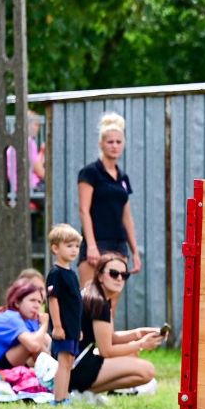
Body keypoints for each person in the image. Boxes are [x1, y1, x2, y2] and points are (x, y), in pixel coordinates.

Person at [70, 253, 162, 396]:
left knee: (131, 353)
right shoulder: (99, 302)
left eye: (124, 275)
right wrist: (142, 344)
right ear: (100, 276)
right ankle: (81, 392)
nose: (119, 278)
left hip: (73, 362)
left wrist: (138, 333)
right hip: (76, 366)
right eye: (114, 273)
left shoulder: (95, 295)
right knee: (147, 371)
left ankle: (84, 392)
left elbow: (110, 337)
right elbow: (106, 351)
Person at [77, 112, 140, 286]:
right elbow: (84, 210)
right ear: (101, 144)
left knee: (112, 298)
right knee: (91, 298)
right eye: (110, 142)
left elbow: (127, 217)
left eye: (118, 142)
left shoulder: (123, 177)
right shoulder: (90, 173)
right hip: (97, 242)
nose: (114, 146)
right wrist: (91, 245)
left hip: (119, 245)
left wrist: (135, 251)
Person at [47, 224, 83, 404]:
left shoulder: (72, 274)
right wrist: (57, 326)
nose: (74, 250)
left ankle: (65, 396)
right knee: (63, 362)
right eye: (69, 246)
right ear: (55, 248)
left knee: (69, 361)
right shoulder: (56, 274)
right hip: (63, 327)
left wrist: (78, 328)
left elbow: (75, 304)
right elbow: (53, 300)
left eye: (76, 246)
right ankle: (59, 398)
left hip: (72, 328)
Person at [0, 280, 50, 371]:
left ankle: (53, 375)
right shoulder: (11, 317)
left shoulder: (30, 320)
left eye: (39, 302)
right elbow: (34, 346)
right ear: (17, 303)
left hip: (0, 362)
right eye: (32, 300)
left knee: (37, 341)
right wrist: (44, 324)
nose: (37, 306)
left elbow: (43, 349)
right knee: (31, 345)